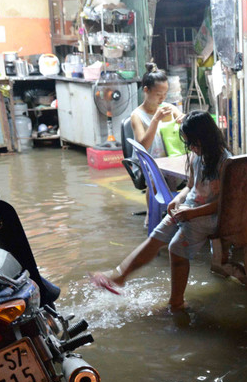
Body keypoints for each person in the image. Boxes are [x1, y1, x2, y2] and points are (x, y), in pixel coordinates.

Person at [91, 111, 230, 312]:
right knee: (156, 237)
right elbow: (190, 186)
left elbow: (224, 202)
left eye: (193, 143)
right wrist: (177, 200)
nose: (191, 147)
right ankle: (119, 276)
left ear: (206, 138)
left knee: (176, 248)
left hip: (209, 215)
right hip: (189, 209)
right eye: (188, 143)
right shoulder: (196, 157)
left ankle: (176, 302)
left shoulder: (225, 163)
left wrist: (192, 213)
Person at [130, 65, 183, 222]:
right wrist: (155, 120)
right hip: (147, 161)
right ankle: (151, 213)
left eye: (165, 94)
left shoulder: (168, 108)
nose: (162, 98)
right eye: (158, 94)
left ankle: (173, 211)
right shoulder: (137, 115)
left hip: (169, 159)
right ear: (146, 90)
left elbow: (184, 122)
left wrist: (183, 119)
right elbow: (143, 146)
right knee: (154, 176)